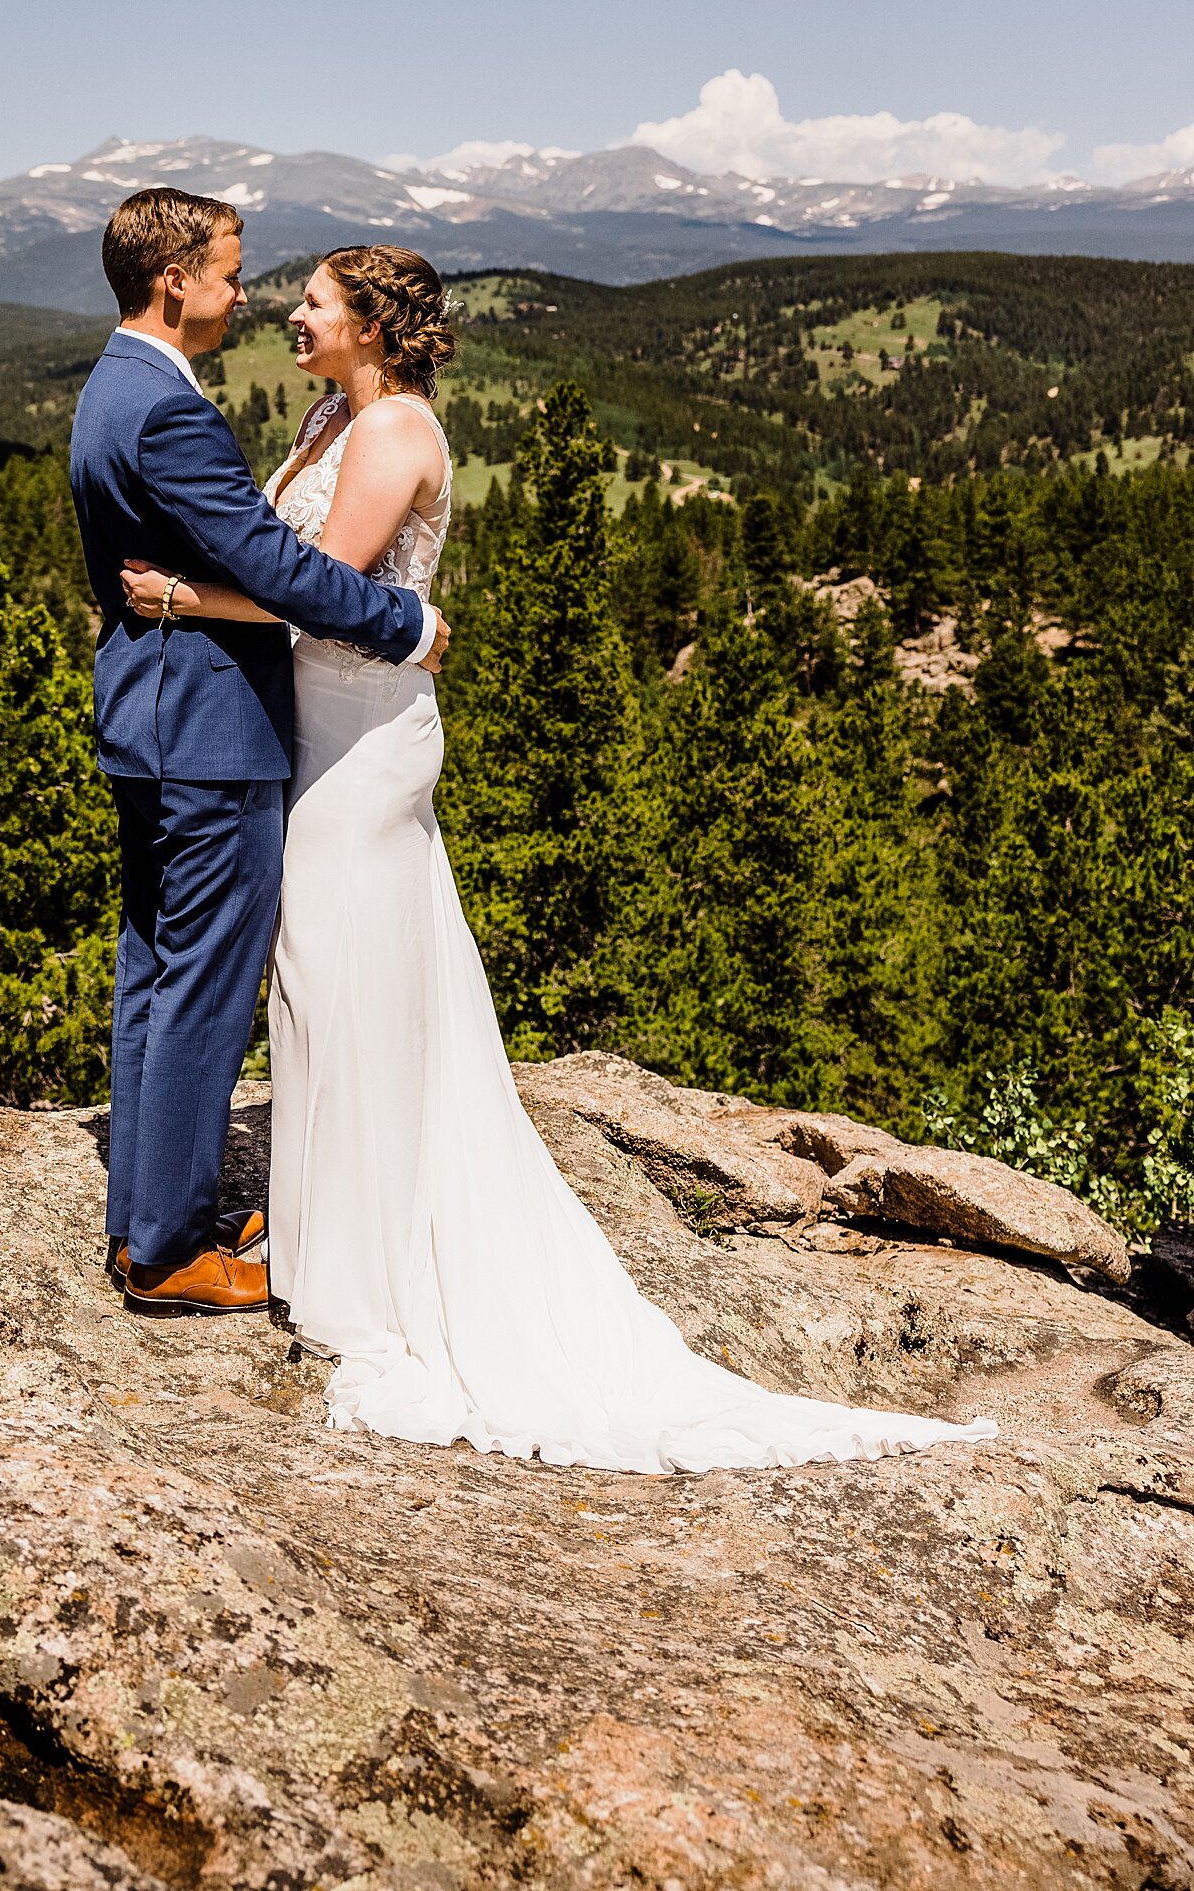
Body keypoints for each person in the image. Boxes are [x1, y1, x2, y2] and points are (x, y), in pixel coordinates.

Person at [120, 244, 998, 1475]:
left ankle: (372, 1267)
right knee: (323, 976)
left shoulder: (392, 436)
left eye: (315, 300)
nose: (292, 313)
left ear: (370, 324)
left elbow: (318, 593)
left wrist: (179, 599)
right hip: (311, 729)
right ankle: (332, 1234)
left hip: (359, 742)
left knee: (341, 973)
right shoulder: (331, 411)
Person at [68, 188, 448, 1321]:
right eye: (232, 272)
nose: (247, 293)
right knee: (202, 985)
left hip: (153, 718)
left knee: (154, 970)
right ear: (175, 277)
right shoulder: (169, 407)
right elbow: (282, 575)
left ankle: (146, 1214)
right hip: (211, 732)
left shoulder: (112, 382)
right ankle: (172, 1247)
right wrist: (407, 625)